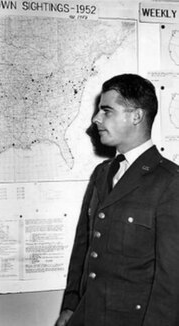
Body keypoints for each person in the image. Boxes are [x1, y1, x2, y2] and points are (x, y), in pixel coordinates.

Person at [55, 74, 179, 326]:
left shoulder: (170, 182)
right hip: (87, 315)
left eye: (107, 111)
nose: (96, 119)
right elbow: (84, 246)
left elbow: (172, 280)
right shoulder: (103, 173)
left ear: (136, 116)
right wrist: (71, 306)